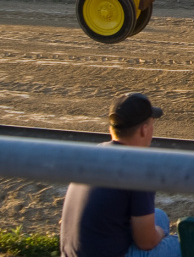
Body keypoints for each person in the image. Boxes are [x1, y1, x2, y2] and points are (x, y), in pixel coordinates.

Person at [60, 93, 180, 257]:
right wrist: (160, 234)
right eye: (152, 124)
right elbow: (146, 243)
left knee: (160, 216)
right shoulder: (138, 166)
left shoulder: (93, 152)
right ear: (144, 130)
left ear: (112, 128)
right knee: (182, 244)